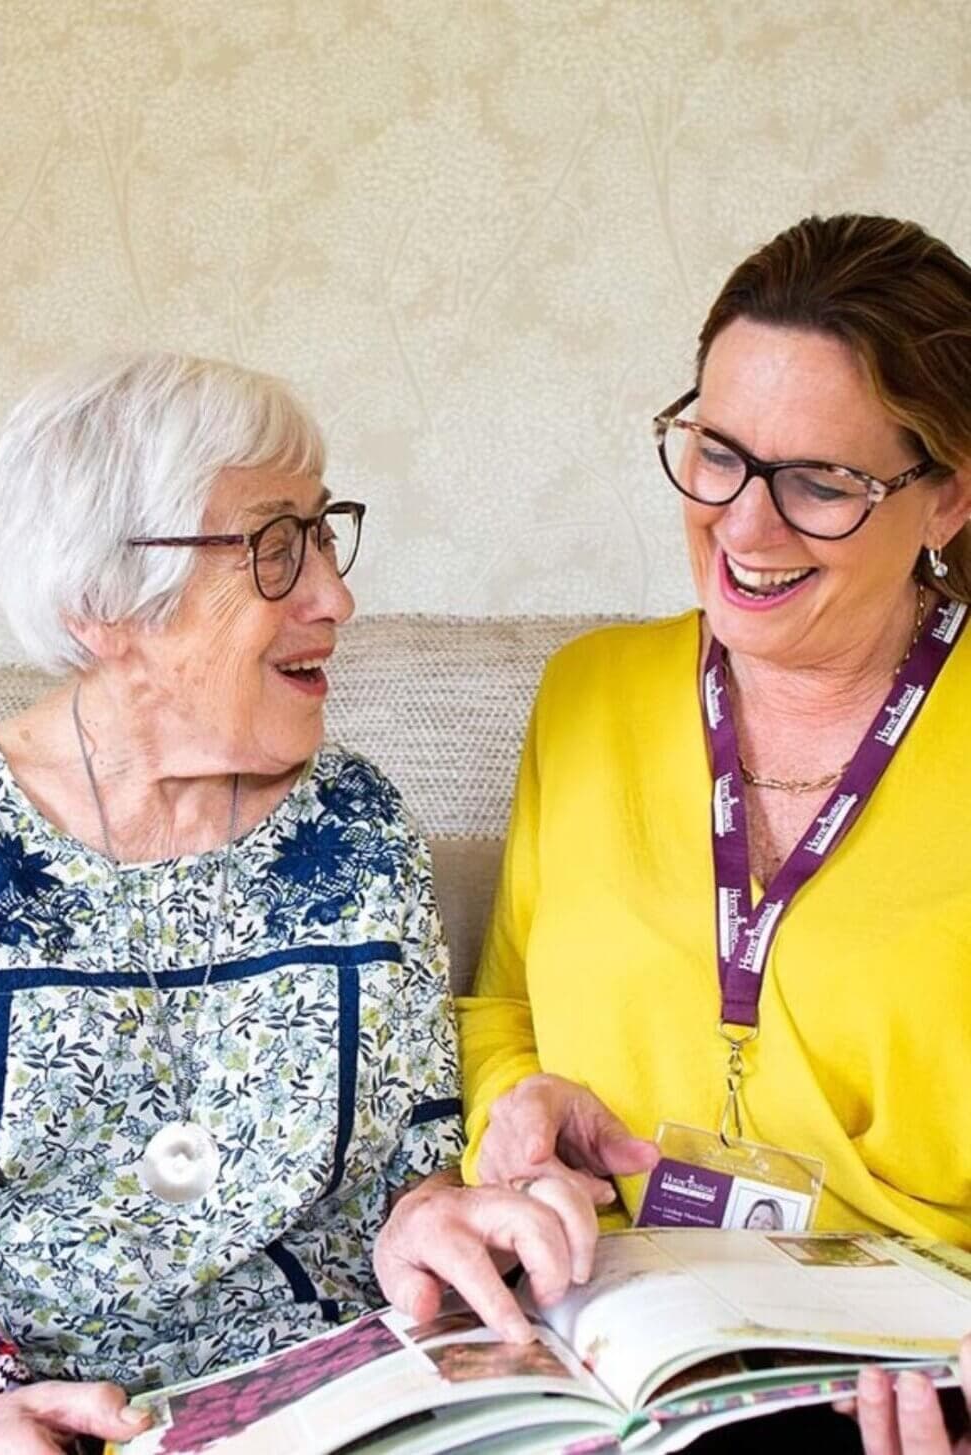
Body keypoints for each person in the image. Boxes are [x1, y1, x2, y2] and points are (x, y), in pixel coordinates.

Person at [0, 352, 593, 1454]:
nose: (334, 596)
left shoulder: (351, 823)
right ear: (103, 603)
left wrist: (435, 1218)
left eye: (321, 532)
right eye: (272, 548)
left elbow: (414, 1170)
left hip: (354, 1400)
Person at [459, 214, 971, 1454]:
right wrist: (515, 1111)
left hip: (904, 1380)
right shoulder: (589, 692)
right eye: (718, 455)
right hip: (611, 1344)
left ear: (949, 496)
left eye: (820, 483)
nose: (743, 527)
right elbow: (503, 1003)